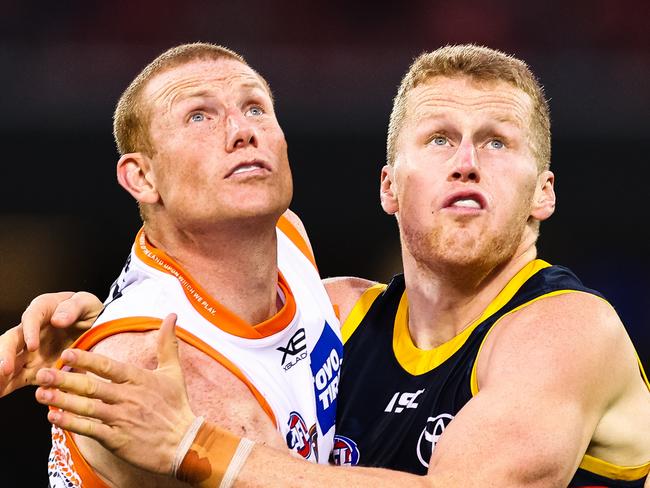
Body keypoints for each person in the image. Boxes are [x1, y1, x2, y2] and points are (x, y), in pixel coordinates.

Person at [5, 44, 650, 487]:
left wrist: (191, 446)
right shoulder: (330, 312)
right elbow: (219, 323)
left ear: (545, 192)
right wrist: (108, 330)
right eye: (439, 139)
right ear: (389, 187)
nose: (467, 163)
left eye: (497, 142)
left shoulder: (569, 332)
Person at [0, 42, 376, 488]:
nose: (242, 131)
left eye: (255, 107)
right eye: (199, 116)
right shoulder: (162, 371)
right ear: (142, 178)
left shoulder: (285, 237)